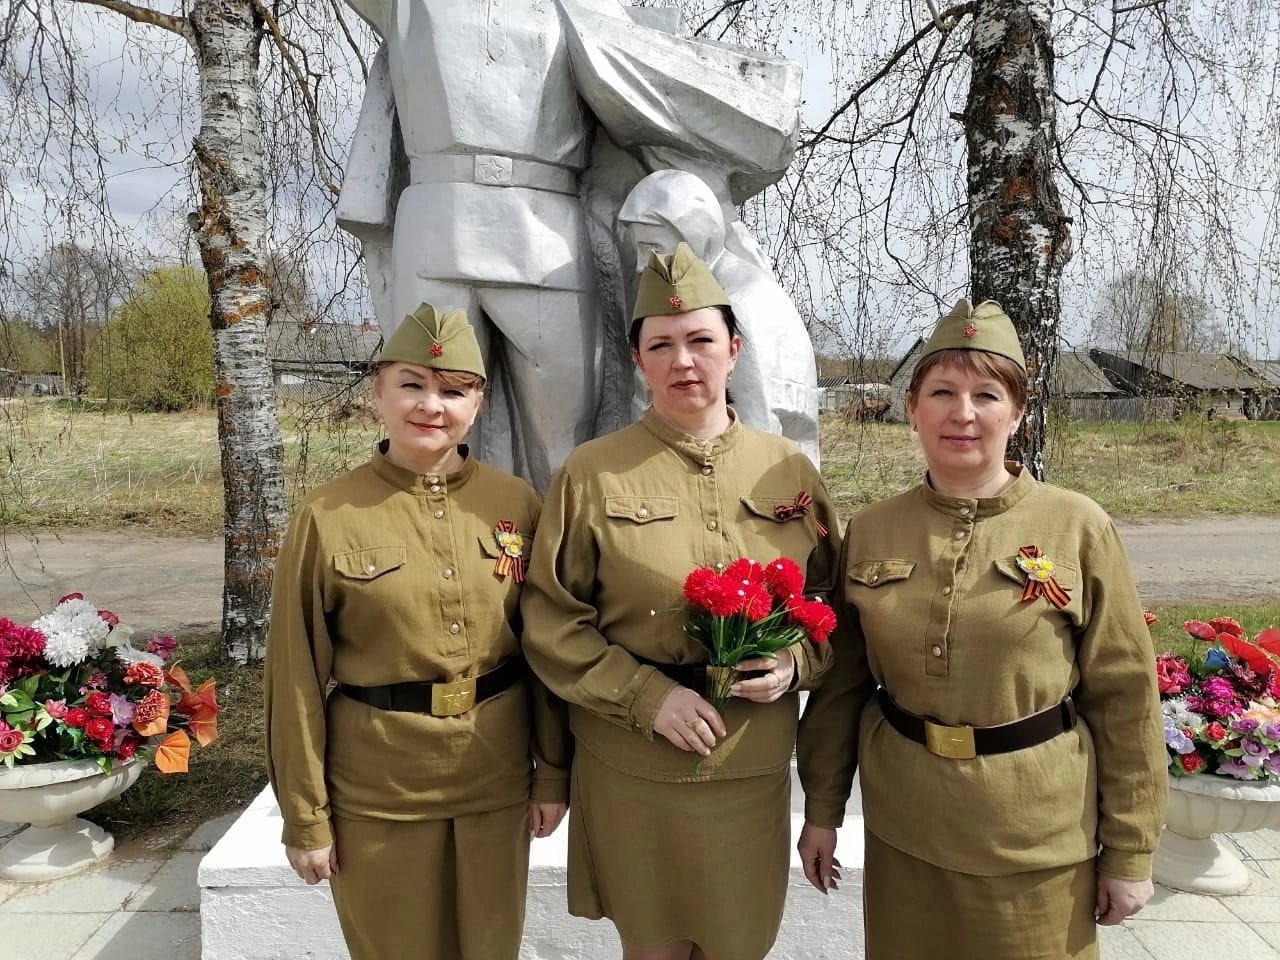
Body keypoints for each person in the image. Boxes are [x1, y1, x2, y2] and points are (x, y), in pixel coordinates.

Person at [796, 299, 1168, 959]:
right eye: (941, 392)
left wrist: (1131, 850)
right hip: (906, 827)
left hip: (1034, 833)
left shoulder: (1077, 526)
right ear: (911, 408)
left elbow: (1126, 697)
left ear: (1018, 414)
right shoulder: (874, 530)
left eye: (986, 395)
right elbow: (841, 686)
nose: (961, 413)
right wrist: (821, 809)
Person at [521, 243, 840, 960]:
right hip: (634, 762)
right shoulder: (592, 474)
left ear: (733, 348)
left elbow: (831, 599)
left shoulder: (788, 469)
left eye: (700, 340)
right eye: (660, 344)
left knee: (739, 943)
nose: (682, 360)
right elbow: (551, 617)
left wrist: (795, 663)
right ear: (638, 360)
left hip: (750, 764)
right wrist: (645, 697)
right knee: (654, 945)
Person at [264, 303, 571, 960]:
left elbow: (542, 649)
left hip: (494, 781)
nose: (433, 405)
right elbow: (293, 677)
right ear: (378, 391)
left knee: (491, 948)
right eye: (413, 384)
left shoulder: (515, 503)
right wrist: (305, 816)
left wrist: (552, 774)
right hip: (380, 789)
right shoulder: (328, 515)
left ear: (479, 403)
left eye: (455, 390)